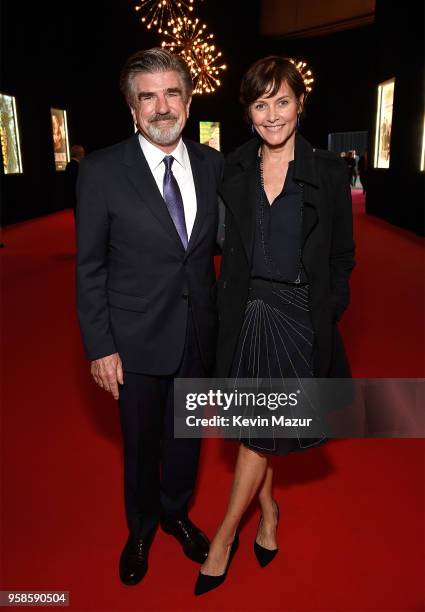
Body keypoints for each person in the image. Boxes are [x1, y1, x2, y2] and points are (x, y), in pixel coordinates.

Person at [195, 56, 355, 595]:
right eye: (261, 105)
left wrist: (325, 314)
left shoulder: (329, 172)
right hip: (245, 317)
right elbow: (221, 246)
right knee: (259, 434)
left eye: (282, 101)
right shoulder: (233, 168)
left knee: (258, 436)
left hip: (299, 322)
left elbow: (341, 258)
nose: (273, 115)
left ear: (300, 103)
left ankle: (223, 537)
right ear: (248, 112)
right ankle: (267, 510)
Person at [76, 48, 224, 586]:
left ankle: (176, 513)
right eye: (148, 96)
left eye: (172, 93)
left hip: (196, 332)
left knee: (186, 438)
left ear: (187, 99)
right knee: (139, 444)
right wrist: (99, 345)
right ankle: (140, 529)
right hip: (132, 340)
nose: (162, 107)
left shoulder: (212, 164)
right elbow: (90, 267)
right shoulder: (100, 171)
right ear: (132, 108)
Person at [64, 145, 86, 213]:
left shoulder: (69, 165)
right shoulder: (78, 167)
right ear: (80, 154)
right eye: (83, 153)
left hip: (73, 196)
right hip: (79, 197)